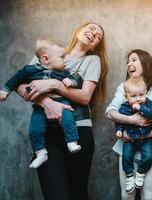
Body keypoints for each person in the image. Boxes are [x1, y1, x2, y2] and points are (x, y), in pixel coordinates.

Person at [15, 22, 109, 200]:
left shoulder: (92, 60)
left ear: (96, 45)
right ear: (79, 30)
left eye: (98, 35)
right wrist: (47, 103)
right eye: (90, 28)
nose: (93, 33)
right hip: (46, 133)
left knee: (78, 194)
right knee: (56, 194)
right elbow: (21, 85)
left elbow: (84, 97)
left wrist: (55, 84)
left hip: (79, 131)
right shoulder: (49, 51)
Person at [0, 38, 83, 168]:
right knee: (35, 128)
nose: (65, 60)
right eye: (62, 57)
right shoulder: (29, 70)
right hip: (40, 107)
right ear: (45, 59)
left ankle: (72, 141)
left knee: (68, 119)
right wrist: (5, 91)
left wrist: (71, 82)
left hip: (63, 102)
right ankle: (40, 152)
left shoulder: (64, 73)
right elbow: (15, 80)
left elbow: (77, 81)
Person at [106, 49, 152, 200]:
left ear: (145, 63)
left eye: (134, 60)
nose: (129, 64)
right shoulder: (123, 87)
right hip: (126, 147)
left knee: (148, 196)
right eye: (128, 61)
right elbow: (110, 112)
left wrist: (135, 135)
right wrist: (132, 120)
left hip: (151, 148)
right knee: (127, 195)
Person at [115, 76, 152, 193]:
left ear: (146, 93)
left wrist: (140, 108)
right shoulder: (124, 107)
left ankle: (141, 172)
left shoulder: (149, 105)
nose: (138, 99)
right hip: (129, 138)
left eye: (141, 95)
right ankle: (129, 175)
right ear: (126, 97)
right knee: (126, 156)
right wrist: (119, 130)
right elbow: (119, 120)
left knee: (149, 156)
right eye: (133, 96)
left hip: (146, 138)